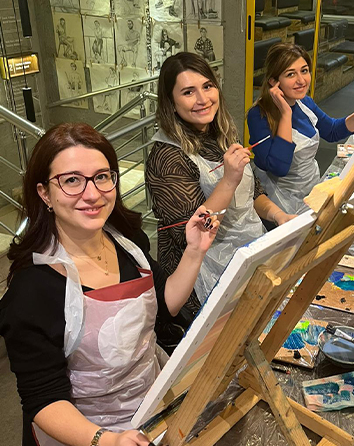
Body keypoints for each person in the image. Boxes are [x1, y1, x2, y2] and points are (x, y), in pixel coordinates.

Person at [0, 123, 219, 446]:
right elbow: (44, 400)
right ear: (45, 193)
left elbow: (167, 302)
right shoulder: (33, 289)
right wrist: (108, 441)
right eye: (71, 181)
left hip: (150, 409)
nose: (92, 194)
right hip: (87, 433)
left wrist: (194, 251)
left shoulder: (128, 243)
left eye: (102, 177)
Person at [146, 52, 294, 328]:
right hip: (199, 280)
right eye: (188, 92)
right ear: (171, 102)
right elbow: (193, 233)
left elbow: (252, 192)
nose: (203, 99)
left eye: (207, 86)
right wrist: (228, 181)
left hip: (247, 255)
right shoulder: (166, 157)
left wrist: (279, 216)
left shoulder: (222, 132)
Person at [247, 42, 354, 214]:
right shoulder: (258, 115)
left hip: (310, 189)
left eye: (304, 71)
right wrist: (286, 114)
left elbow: (331, 131)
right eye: (290, 74)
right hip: (280, 202)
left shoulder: (305, 102)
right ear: (274, 82)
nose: (301, 80)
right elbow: (279, 168)